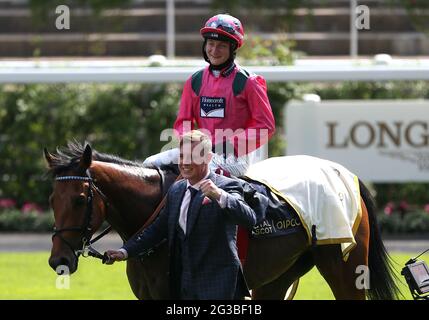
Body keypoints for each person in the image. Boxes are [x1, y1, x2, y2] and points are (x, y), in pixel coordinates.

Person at [105, 130, 259, 300]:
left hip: (220, 287)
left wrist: (220, 196)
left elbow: (249, 218)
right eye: (182, 156)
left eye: (192, 156)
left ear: (208, 158)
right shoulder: (176, 190)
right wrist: (125, 251)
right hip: (184, 287)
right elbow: (157, 229)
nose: (185, 162)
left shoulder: (227, 186)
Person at [144, 13, 276, 177]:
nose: (214, 50)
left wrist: (228, 145)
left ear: (233, 48)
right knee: (148, 165)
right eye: (211, 44)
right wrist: (188, 143)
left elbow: (265, 126)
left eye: (221, 46)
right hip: (199, 150)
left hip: (235, 156)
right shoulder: (194, 81)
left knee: (199, 171)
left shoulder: (249, 82)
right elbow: (184, 121)